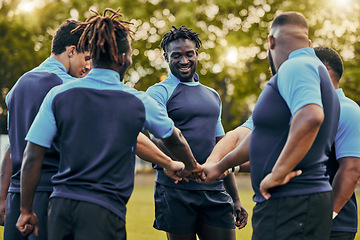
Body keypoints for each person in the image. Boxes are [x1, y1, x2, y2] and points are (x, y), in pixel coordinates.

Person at [15, 8, 201, 240]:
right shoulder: (136, 100)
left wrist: (25, 210)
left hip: (59, 208)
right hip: (104, 211)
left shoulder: (58, 94)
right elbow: (175, 138)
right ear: (123, 57)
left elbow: (32, 154)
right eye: (130, 54)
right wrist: (192, 166)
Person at [203, 12, 340, 240]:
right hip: (297, 203)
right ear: (307, 41)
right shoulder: (312, 67)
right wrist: (220, 166)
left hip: (290, 203)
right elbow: (261, 134)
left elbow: (311, 117)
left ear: (271, 42)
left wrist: (277, 173)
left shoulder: (294, 66)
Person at [146, 26, 247, 240]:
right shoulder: (158, 92)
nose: (184, 60)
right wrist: (187, 166)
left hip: (214, 189)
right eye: (176, 56)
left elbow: (222, 145)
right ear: (166, 57)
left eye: (189, 54)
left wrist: (235, 199)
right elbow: (156, 137)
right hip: (176, 189)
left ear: (197, 54)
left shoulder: (212, 95)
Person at [0, 19, 92, 240]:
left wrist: (2, 199)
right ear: (71, 51)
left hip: (17, 197)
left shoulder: (16, 87)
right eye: (86, 57)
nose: (88, 66)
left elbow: (12, 148)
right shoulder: (68, 88)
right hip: (53, 195)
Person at [314, 46, 360, 240]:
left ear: (322, 69)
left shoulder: (347, 110)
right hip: (304, 222)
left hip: (334, 227)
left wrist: (325, 218)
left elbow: (352, 171)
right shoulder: (311, 112)